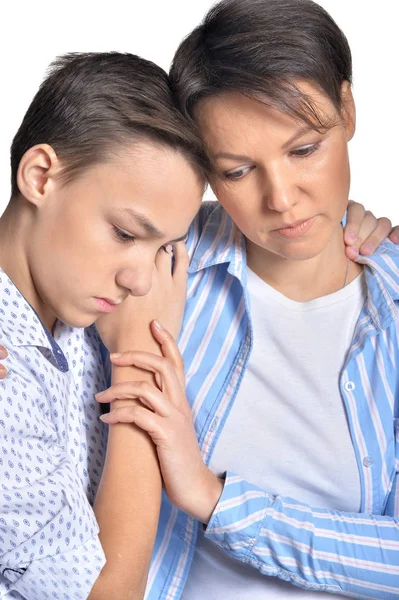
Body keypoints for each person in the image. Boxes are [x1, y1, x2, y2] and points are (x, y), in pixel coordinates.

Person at [0, 25, 397, 600]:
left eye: (305, 149)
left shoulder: (389, 294)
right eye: (236, 170)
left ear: (348, 110)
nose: (282, 199)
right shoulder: (150, 276)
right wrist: (139, 360)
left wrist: (216, 499)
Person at [0, 51, 207, 599]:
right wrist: (139, 366)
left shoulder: (84, 306)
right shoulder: (6, 371)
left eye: (164, 247)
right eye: (124, 233)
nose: (142, 281)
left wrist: (354, 224)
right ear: (40, 176)